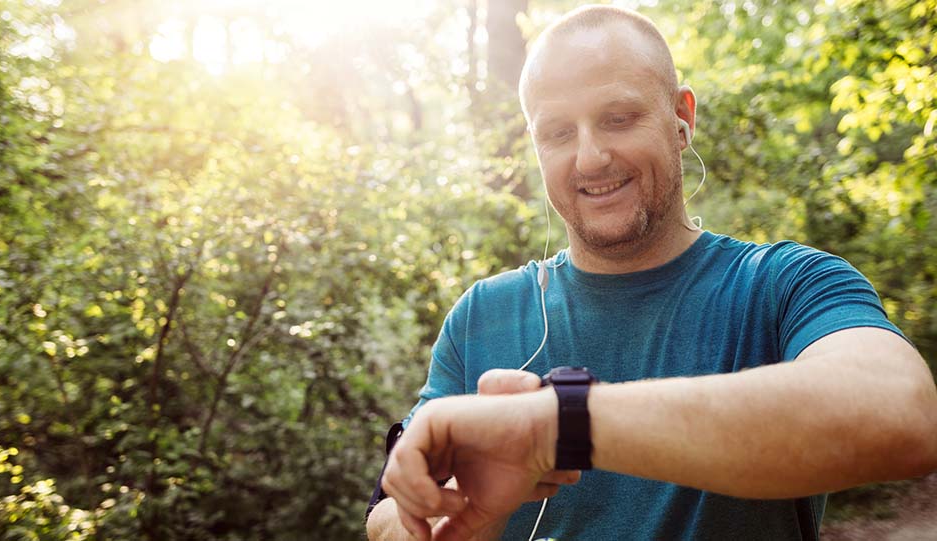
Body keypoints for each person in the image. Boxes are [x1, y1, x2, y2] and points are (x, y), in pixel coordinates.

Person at [366, 5, 937, 541]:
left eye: (619, 118)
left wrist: (556, 424)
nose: (590, 158)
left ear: (681, 118)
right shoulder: (482, 313)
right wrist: (458, 514)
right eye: (559, 133)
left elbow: (903, 411)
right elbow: (388, 511)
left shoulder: (787, 284)